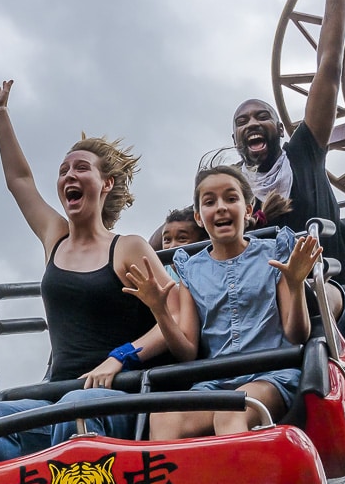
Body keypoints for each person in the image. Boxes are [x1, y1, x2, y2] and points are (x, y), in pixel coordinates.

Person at [0, 80, 179, 466]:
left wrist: (121, 357)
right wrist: (0, 117)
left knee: (76, 408)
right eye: (63, 171)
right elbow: (20, 182)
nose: (69, 176)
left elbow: (176, 318)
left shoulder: (127, 247)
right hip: (59, 395)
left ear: (106, 184)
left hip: (119, 396)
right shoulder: (55, 238)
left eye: (81, 168)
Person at [231, 0, 345, 342]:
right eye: (242, 121)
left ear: (280, 129)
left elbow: (328, 68)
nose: (252, 123)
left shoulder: (301, 154)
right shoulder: (230, 189)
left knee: (313, 298)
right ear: (235, 140)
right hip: (257, 300)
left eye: (261, 116)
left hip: (326, 285)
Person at [121, 166, 323, 439]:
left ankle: (244, 480)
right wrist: (160, 309)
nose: (221, 208)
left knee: (232, 411)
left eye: (231, 199)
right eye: (210, 202)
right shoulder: (191, 269)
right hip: (215, 381)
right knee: (164, 418)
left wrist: (296, 285)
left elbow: (297, 334)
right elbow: (188, 351)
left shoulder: (274, 253)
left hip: (270, 375)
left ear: (248, 210)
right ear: (199, 217)